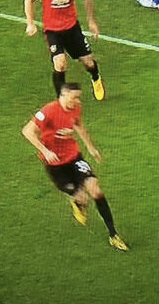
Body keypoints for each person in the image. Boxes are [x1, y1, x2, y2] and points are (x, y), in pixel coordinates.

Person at [21, 82, 128, 251]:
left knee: (96, 190)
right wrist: (45, 151)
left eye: (79, 97)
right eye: (74, 98)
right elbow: (27, 131)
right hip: (55, 165)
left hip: (74, 157)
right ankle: (78, 204)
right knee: (82, 198)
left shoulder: (75, 108)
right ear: (63, 96)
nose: (78, 101)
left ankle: (113, 235)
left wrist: (91, 147)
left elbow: (78, 125)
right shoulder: (48, 111)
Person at [24, 0, 105, 100]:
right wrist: (30, 23)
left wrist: (91, 21)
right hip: (52, 31)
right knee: (60, 64)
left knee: (88, 62)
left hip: (72, 29)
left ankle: (96, 77)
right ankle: (61, 100)